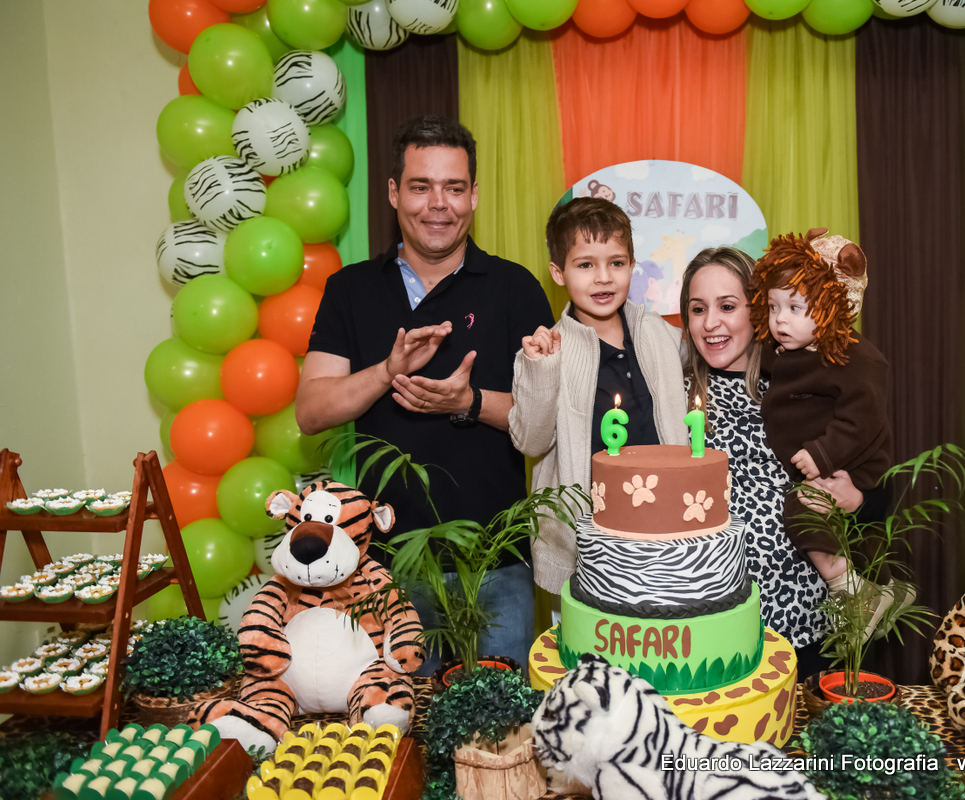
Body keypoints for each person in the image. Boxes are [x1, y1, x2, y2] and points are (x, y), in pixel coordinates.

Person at [296, 115, 554, 671]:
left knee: (498, 744)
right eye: (421, 186)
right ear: (393, 192)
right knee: (400, 734)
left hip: (496, 565)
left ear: (474, 195)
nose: (439, 204)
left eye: (454, 188)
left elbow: (546, 421)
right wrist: (386, 371)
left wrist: (468, 403)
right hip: (383, 566)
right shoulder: (350, 291)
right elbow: (312, 411)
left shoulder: (516, 289)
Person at [680, 245, 871, 679]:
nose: (711, 323)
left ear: (762, 310)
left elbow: (875, 469)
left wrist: (857, 497)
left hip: (806, 626)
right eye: (697, 309)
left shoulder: (811, 385)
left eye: (728, 306)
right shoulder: (673, 397)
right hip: (709, 627)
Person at [509, 197, 688, 600]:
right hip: (585, 548)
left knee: (660, 649)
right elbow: (530, 442)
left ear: (632, 266)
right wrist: (542, 371)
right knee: (588, 660)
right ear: (559, 272)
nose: (603, 278)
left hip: (667, 530)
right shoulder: (544, 352)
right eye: (586, 264)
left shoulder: (660, 334)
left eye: (617, 263)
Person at [749, 229, 903, 642]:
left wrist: (822, 453)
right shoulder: (788, 347)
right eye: (773, 307)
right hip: (830, 467)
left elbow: (864, 418)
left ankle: (847, 589)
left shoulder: (855, 357)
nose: (780, 319)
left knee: (803, 508)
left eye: (796, 308)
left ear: (833, 306)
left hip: (851, 463)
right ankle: (887, 591)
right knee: (858, 540)